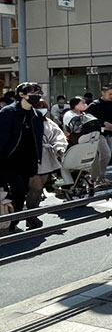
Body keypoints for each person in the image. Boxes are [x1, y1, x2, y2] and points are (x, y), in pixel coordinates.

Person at [0, 83, 45, 231]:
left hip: (29, 161)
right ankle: (11, 222)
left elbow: (38, 139)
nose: (37, 95)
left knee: (22, 191)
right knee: (18, 190)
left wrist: (38, 159)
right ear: (21, 94)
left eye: (39, 92)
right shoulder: (8, 112)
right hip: (9, 160)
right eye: (34, 92)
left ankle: (13, 220)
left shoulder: (37, 115)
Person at [26, 103, 67, 228]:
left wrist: (59, 147)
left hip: (46, 158)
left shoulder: (47, 122)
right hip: (30, 157)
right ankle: (30, 216)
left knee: (39, 189)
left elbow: (58, 135)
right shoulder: (26, 120)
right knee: (36, 188)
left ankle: (33, 214)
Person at [86, 84, 112, 187]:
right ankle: (98, 177)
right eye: (110, 94)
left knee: (106, 156)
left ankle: (99, 177)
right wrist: (103, 124)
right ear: (103, 93)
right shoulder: (94, 105)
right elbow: (88, 119)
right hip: (98, 134)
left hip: (110, 134)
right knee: (106, 154)